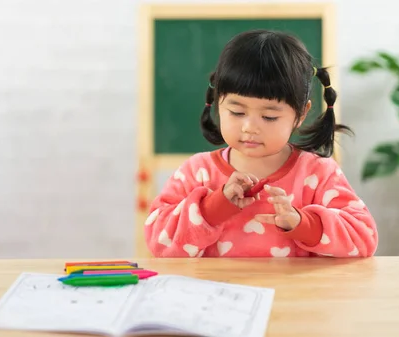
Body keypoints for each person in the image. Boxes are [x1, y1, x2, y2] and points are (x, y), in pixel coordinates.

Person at [143, 29, 378, 258]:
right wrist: (212, 209)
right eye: (236, 112)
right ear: (217, 103)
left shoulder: (319, 174)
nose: (250, 127)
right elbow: (158, 242)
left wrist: (302, 223)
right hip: (218, 294)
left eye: (269, 117)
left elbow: (364, 239)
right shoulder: (196, 172)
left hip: (297, 296)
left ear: (301, 114)